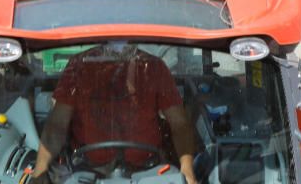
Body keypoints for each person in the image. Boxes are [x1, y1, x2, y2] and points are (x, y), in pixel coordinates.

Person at [30, 42, 198, 184]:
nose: (119, 51)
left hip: (148, 168)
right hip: (88, 168)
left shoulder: (154, 68)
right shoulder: (78, 67)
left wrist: (187, 170)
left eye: (125, 43)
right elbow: (57, 124)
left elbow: (180, 124)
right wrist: (40, 170)